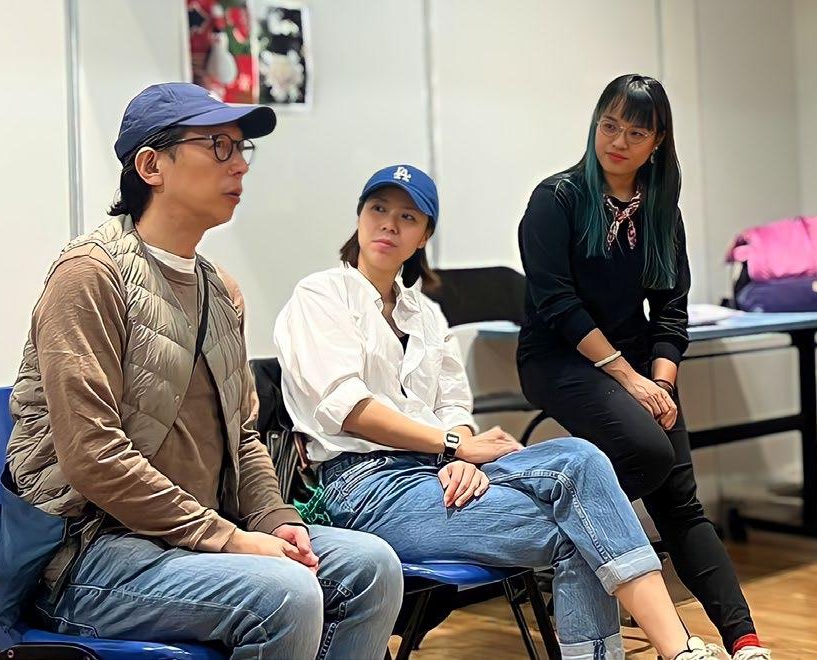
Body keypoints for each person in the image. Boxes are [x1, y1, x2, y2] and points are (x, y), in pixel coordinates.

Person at [0, 83, 402, 659]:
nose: (239, 164)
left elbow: (243, 435)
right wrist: (229, 539)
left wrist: (274, 518)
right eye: (218, 146)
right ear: (151, 166)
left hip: (195, 537)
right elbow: (92, 455)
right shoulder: (89, 276)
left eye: (241, 148)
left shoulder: (220, 290)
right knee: (284, 596)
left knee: (372, 567)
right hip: (88, 553)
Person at [274, 163, 724, 660]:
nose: (389, 224)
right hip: (364, 487)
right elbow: (350, 410)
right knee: (583, 532)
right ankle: (679, 649)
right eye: (378, 209)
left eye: (408, 217)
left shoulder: (425, 313)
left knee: (581, 457)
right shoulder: (320, 295)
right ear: (359, 216)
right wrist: (453, 446)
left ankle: (677, 650)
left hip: (436, 472)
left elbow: (452, 404)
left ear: (424, 236)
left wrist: (459, 453)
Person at [515, 74, 768, 659]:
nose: (617, 142)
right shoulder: (555, 200)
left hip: (637, 368)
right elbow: (558, 305)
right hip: (558, 357)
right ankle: (558, 526)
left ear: (657, 142)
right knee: (651, 453)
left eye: (635, 132)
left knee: (680, 500)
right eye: (609, 126)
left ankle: (744, 641)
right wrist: (629, 379)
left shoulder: (659, 211)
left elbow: (671, 310)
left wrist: (661, 383)